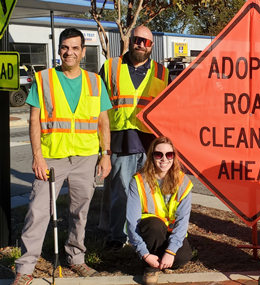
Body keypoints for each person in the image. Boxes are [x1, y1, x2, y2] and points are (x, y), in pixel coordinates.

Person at [12, 28, 112, 285]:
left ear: (83, 51)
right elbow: (34, 120)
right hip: (52, 158)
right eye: (65, 47)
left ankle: (76, 257)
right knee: (38, 211)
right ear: (59, 49)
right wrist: (37, 156)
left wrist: (105, 154)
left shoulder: (94, 81)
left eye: (75, 47)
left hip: (86, 157)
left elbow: (103, 121)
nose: (69, 52)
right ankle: (25, 267)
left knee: (80, 212)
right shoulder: (43, 78)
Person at [100, 25, 170, 249]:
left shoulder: (162, 72)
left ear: (151, 46)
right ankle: (117, 237)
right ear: (130, 40)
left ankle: (145, 234)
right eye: (137, 39)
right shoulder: (111, 66)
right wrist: (102, 147)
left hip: (151, 144)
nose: (141, 44)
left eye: (146, 42)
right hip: (121, 140)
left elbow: (168, 108)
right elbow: (98, 107)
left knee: (150, 192)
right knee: (120, 192)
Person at [126, 136, 193, 285]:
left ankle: (163, 259)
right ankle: (150, 267)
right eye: (158, 154)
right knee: (154, 225)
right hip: (150, 231)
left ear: (174, 157)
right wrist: (144, 254)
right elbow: (131, 223)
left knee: (182, 257)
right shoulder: (138, 181)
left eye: (169, 155)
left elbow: (182, 222)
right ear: (151, 156)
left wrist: (171, 252)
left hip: (170, 233)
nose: (164, 159)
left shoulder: (184, 182)